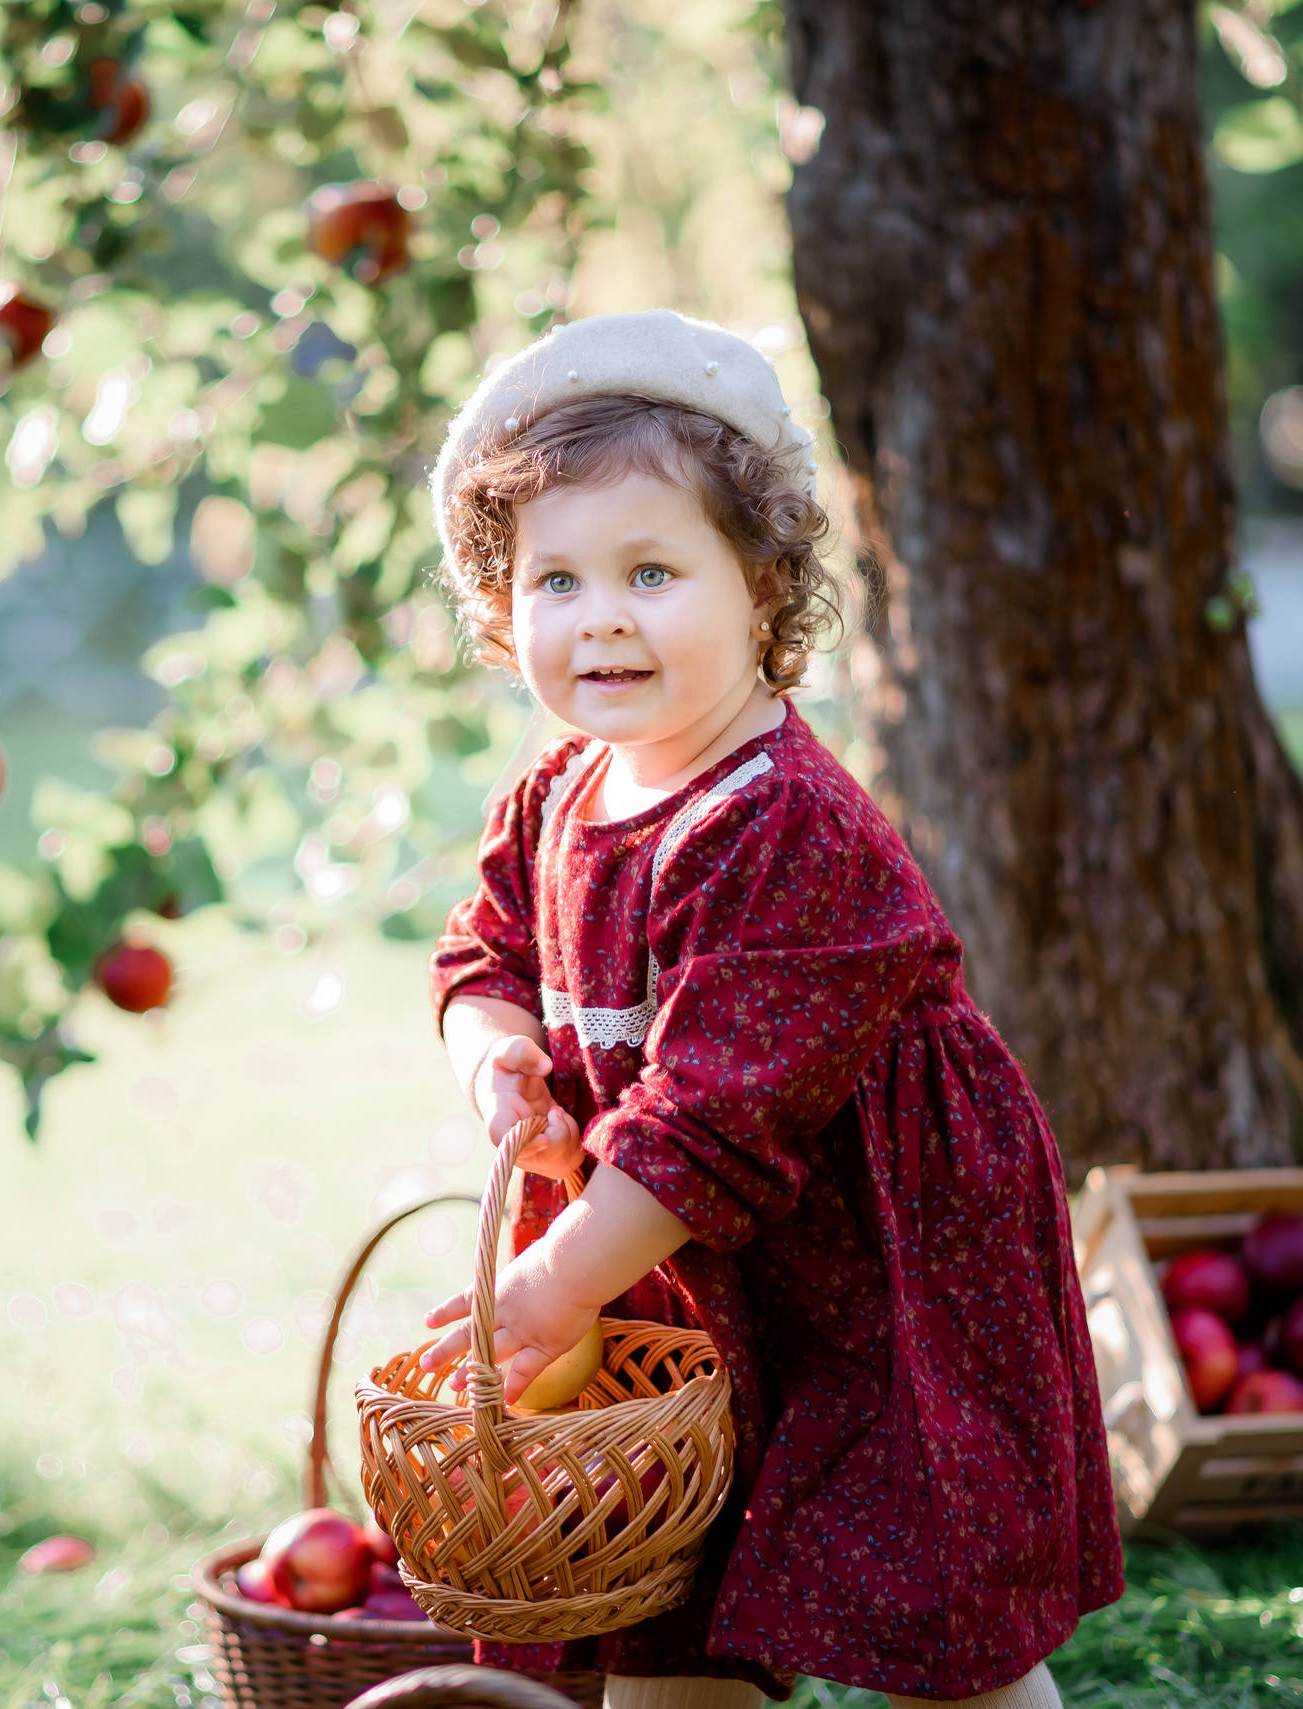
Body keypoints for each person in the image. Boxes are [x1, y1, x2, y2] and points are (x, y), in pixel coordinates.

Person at [416, 312, 1123, 1709]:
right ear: (507, 610)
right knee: (666, 1585)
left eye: (653, 569)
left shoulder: (780, 825)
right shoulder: (561, 791)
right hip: (680, 1257)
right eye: (556, 578)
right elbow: (479, 949)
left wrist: (552, 1283)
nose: (601, 613)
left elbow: (711, 1119)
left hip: (883, 1259)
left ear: (763, 586)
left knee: (940, 1610)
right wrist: (495, 1053)